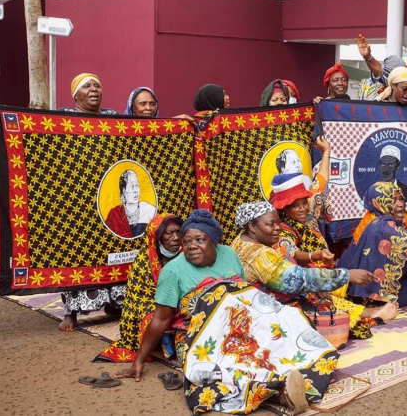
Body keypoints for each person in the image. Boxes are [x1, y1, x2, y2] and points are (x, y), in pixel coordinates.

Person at [117, 210, 335, 415]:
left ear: (214, 241)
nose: (192, 246)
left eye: (200, 240)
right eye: (187, 241)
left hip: (243, 322)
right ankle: (281, 394)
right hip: (201, 334)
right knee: (230, 364)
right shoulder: (172, 272)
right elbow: (160, 319)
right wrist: (139, 360)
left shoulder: (229, 254)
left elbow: (243, 294)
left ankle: (286, 387)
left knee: (285, 329)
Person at [270, 138, 398, 339]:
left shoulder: (309, 208)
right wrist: (315, 255)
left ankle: (367, 307)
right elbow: (291, 252)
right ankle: (365, 315)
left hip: (330, 270)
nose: (303, 209)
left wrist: (327, 152)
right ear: (285, 209)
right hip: (306, 280)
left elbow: (321, 180)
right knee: (319, 295)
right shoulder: (281, 231)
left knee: (360, 275)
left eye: (304, 203)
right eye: (296, 206)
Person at [231, 202, 395, 338]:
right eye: (270, 224)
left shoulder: (241, 240)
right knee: (321, 305)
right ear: (252, 226)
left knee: (319, 292)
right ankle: (363, 316)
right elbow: (295, 279)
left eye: (277, 222)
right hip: (269, 313)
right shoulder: (259, 254)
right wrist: (347, 275)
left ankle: (363, 312)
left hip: (263, 301)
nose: (278, 228)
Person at [95, 214, 183, 363]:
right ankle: (157, 346)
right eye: (169, 233)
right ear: (157, 236)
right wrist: (166, 305)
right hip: (153, 304)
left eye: (178, 232)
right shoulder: (144, 259)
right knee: (154, 317)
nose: (175, 237)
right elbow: (139, 296)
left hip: (180, 301)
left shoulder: (185, 255)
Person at [104, 169, 157, 238]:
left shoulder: (149, 210)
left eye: (137, 185)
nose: (135, 190)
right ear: (124, 190)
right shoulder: (114, 215)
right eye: (132, 186)